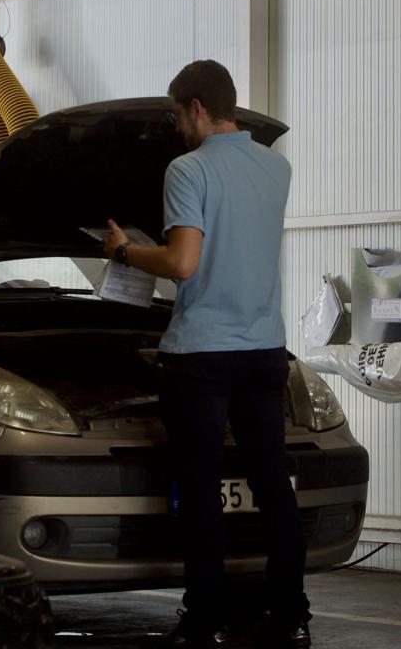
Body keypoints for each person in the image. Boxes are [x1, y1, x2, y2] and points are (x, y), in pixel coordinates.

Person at [103, 60, 310, 648]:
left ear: (196, 107)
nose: (175, 128)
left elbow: (182, 264)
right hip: (265, 349)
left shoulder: (186, 170)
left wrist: (123, 252)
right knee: (274, 484)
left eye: (175, 114)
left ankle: (205, 620)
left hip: (200, 354)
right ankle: (291, 613)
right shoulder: (277, 167)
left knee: (200, 490)